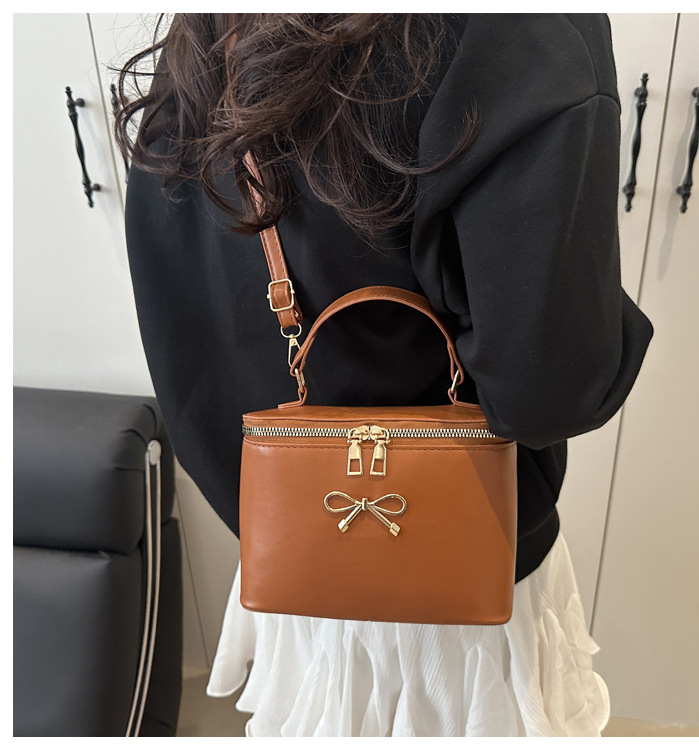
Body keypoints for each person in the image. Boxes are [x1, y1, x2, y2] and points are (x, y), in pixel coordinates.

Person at [118, 13, 654, 737]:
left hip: (295, 552)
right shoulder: (514, 29)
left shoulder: (210, 29)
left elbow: (181, 318)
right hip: (455, 593)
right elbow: (548, 385)